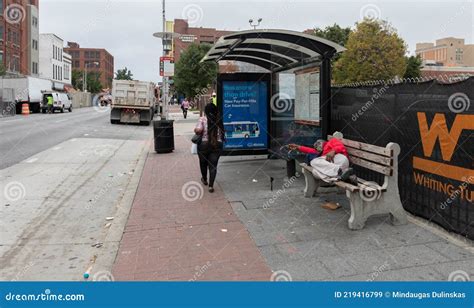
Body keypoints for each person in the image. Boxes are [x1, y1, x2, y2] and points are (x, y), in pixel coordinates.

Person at [288, 133, 356, 184]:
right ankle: (346, 177)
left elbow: (340, 146)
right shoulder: (321, 153)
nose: (316, 146)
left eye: (317, 144)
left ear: (322, 142)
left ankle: (340, 172)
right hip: (334, 166)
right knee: (315, 171)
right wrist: (298, 147)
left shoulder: (331, 141)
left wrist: (333, 151)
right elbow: (310, 150)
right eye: (315, 146)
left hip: (340, 158)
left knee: (313, 162)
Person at [194, 103, 225, 193]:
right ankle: (211, 186)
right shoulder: (219, 119)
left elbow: (199, 129)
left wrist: (196, 130)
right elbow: (222, 133)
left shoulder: (203, 119)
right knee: (213, 166)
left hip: (204, 144)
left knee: (203, 163)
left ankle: (204, 179)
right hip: (217, 145)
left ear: (206, 111)